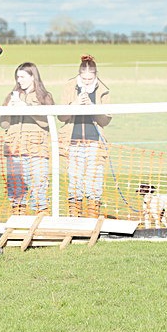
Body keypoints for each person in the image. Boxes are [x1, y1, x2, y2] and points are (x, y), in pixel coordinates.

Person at [58, 55, 111, 217]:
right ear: (79, 75)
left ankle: (93, 213)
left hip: (94, 142)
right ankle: (75, 215)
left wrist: (93, 107)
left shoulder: (103, 90)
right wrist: (74, 106)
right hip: (73, 142)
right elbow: (61, 117)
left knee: (93, 180)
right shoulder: (69, 87)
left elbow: (106, 120)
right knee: (75, 179)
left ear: (96, 75)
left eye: (90, 78)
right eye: (84, 78)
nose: (87, 81)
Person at [0, 62, 54, 215]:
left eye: (22, 76)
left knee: (39, 186)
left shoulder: (44, 96)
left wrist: (27, 108)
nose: (19, 80)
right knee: (15, 189)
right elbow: (3, 124)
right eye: (17, 77)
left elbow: (47, 122)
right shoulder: (11, 96)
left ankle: (41, 221)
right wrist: (7, 111)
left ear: (32, 77)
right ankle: (18, 220)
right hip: (14, 149)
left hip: (37, 149)